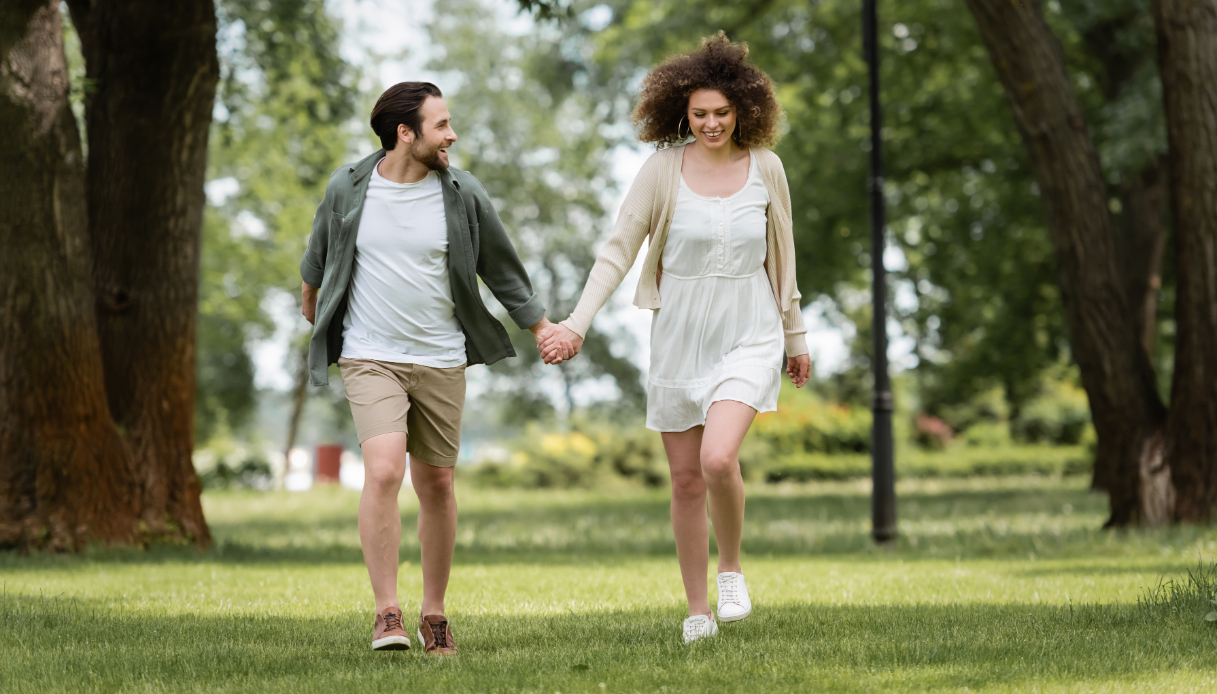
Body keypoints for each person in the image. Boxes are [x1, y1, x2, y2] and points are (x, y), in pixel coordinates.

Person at [541, 33, 811, 644]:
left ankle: (732, 569)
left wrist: (795, 337)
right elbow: (618, 251)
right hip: (679, 331)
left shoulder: (767, 168)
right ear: (681, 113)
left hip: (750, 325)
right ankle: (697, 610)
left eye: (722, 113)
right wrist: (576, 322)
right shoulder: (663, 169)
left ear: (743, 108)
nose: (712, 124)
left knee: (719, 458)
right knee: (686, 479)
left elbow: (783, 259)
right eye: (700, 114)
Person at [300, 82, 557, 655]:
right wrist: (313, 299)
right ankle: (386, 612)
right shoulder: (349, 187)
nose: (452, 135)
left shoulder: (462, 193)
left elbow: (502, 268)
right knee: (385, 471)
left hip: (441, 356)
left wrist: (541, 328)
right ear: (405, 133)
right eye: (441, 126)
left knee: (436, 483)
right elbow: (318, 253)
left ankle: (433, 613)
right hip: (370, 355)